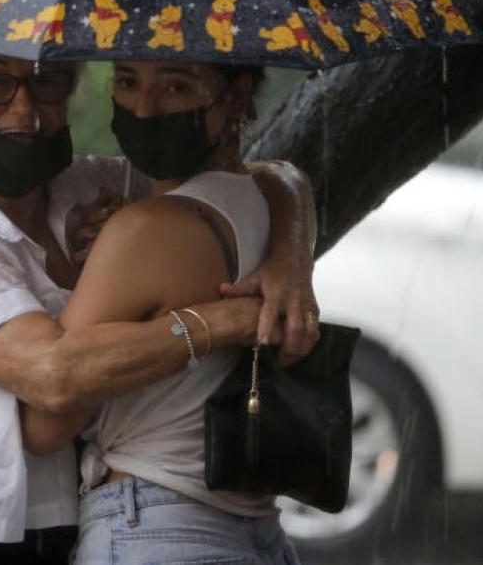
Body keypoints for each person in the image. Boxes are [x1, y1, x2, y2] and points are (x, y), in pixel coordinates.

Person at [0, 43, 319, 565]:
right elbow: (54, 376)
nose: (25, 109)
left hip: (69, 523)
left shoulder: (90, 186)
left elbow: (262, 177)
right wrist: (223, 320)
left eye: (48, 81)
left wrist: (291, 264)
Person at [20, 59, 304, 564]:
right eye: (127, 81)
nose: (144, 108)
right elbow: (284, 176)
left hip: (153, 526)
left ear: (236, 97)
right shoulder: (265, 200)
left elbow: (47, 424)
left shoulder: (144, 230)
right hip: (257, 530)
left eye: (176, 85)